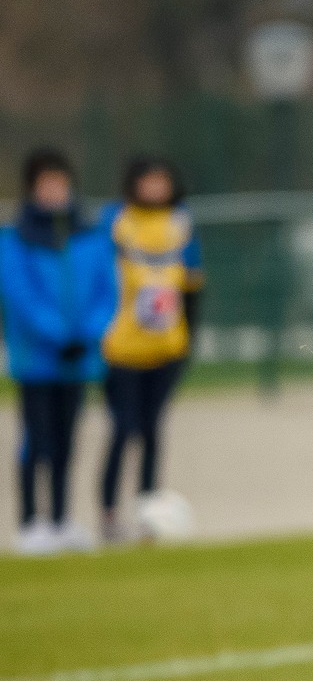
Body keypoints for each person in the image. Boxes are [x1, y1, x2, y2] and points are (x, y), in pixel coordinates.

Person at [2, 148, 116, 554]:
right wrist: (56, 335)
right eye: (46, 184)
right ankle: (31, 522)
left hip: (79, 357)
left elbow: (107, 290)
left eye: (60, 183)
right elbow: (20, 295)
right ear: (33, 188)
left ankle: (62, 519)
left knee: (68, 440)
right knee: (37, 439)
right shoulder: (15, 238)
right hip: (37, 358)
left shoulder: (89, 234)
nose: (54, 191)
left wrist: (86, 334)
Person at [98, 156, 203, 542]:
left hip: (165, 348)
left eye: (162, 180)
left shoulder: (180, 223)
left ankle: (148, 513)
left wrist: (188, 339)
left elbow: (192, 285)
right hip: (122, 348)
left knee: (153, 430)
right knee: (122, 429)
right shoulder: (116, 221)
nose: (156, 188)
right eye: (149, 181)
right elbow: (98, 278)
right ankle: (108, 513)